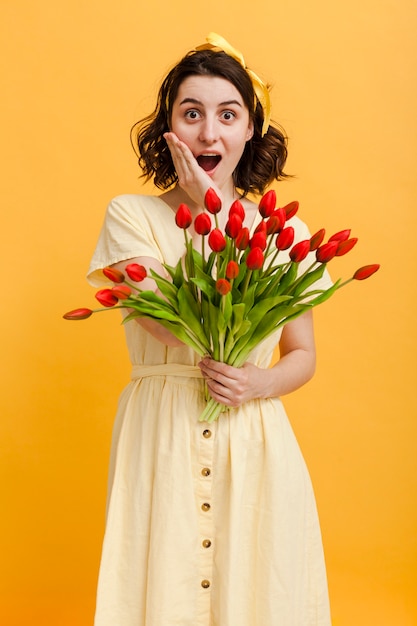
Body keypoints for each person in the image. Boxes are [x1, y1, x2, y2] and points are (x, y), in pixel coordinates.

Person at [87, 32, 332, 626]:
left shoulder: (284, 234)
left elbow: (301, 353)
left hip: (255, 434)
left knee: (257, 586)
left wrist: (259, 385)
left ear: (251, 129)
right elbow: (174, 328)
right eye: (191, 113)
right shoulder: (132, 215)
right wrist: (205, 216)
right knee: (163, 585)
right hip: (163, 428)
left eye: (228, 114)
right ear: (168, 126)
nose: (208, 133)